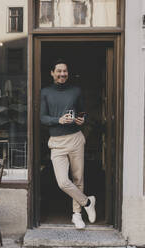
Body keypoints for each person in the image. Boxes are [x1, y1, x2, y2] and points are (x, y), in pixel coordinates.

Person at [40, 59, 96, 229]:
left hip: (75, 138)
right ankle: (88, 202)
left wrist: (82, 119)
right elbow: (42, 118)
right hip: (56, 142)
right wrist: (58, 120)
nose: (62, 74)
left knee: (78, 178)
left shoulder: (76, 91)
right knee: (63, 181)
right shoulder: (45, 92)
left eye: (65, 71)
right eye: (59, 71)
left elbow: (82, 111)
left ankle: (77, 214)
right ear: (52, 73)